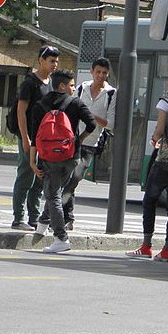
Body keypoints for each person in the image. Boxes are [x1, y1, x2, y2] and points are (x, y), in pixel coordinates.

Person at [127, 64, 168, 263]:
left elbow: (159, 129)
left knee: (150, 199)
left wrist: (154, 141)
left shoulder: (165, 102)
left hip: (165, 158)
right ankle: (167, 249)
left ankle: (146, 245)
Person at [28, 69, 97, 254]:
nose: (74, 89)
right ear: (62, 86)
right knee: (55, 193)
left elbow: (35, 137)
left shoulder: (40, 105)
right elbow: (92, 124)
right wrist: (79, 140)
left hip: (48, 158)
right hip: (71, 157)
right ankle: (43, 224)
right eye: (72, 85)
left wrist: (32, 162)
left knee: (53, 196)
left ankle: (61, 238)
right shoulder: (76, 103)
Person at [51, 56, 117, 229]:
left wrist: (89, 116)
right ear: (92, 72)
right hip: (72, 139)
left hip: (91, 143)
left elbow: (110, 124)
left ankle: (63, 216)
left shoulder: (111, 94)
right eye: (98, 72)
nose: (101, 76)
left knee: (75, 178)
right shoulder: (81, 88)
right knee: (67, 178)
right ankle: (67, 218)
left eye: (104, 73)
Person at [10, 45, 59, 231]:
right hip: (29, 137)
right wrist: (25, 138)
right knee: (25, 175)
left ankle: (34, 217)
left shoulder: (51, 82)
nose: (54, 64)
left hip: (44, 138)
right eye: (51, 60)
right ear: (41, 60)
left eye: (56, 61)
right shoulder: (30, 82)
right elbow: (21, 111)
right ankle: (18, 218)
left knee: (40, 177)